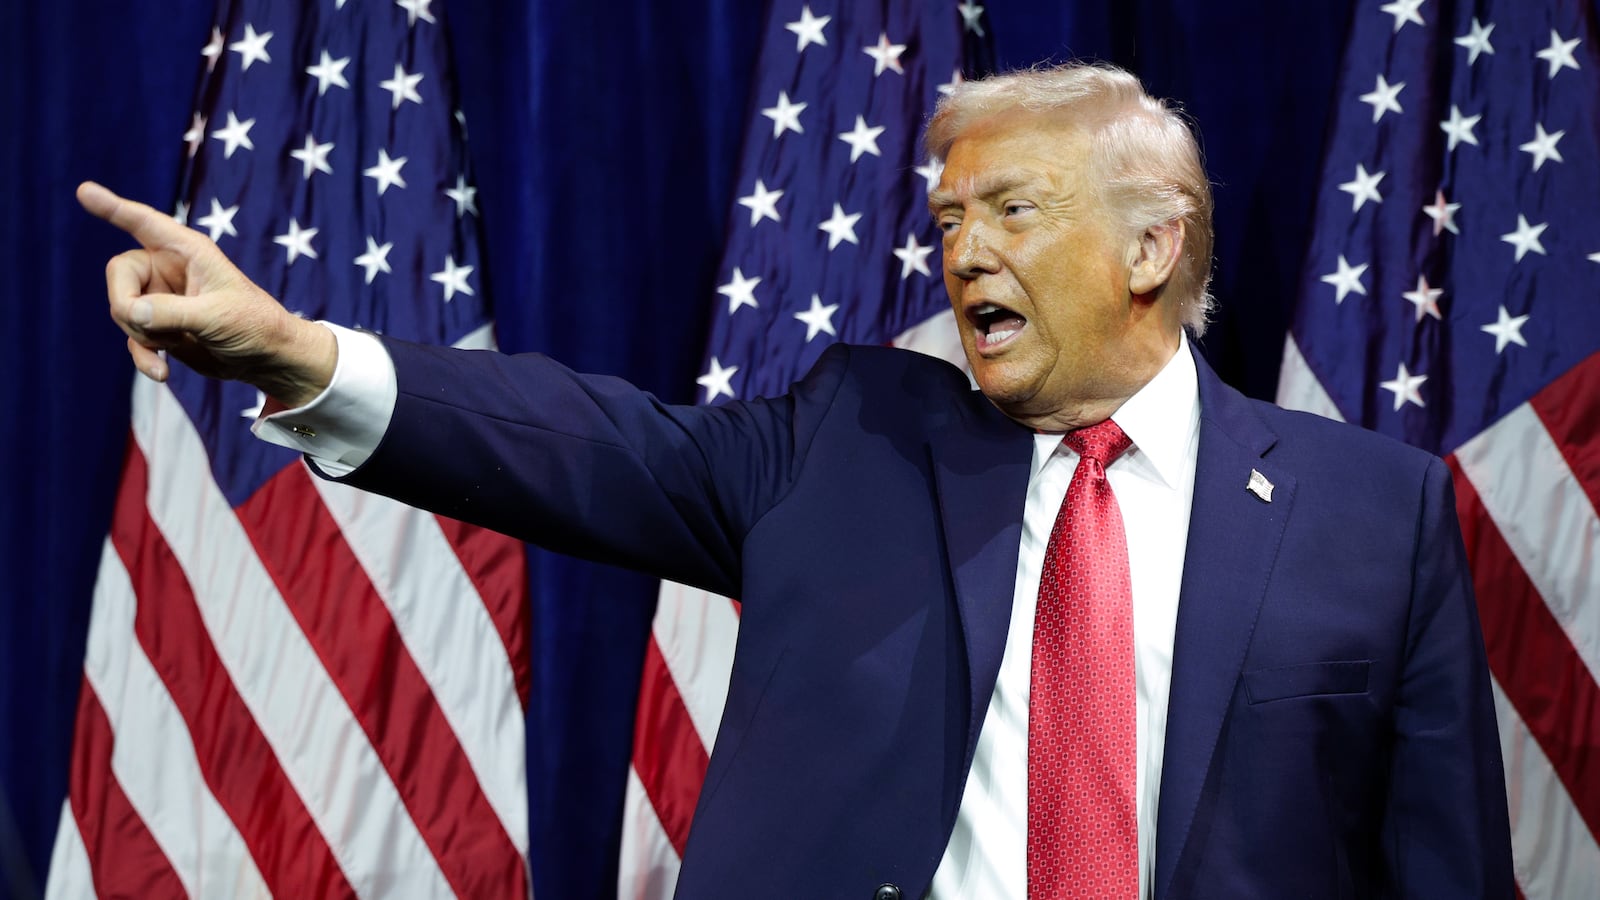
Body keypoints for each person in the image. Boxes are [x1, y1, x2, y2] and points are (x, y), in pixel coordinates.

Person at [81, 63, 1512, 899]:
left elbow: (1443, 868)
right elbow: (584, 443)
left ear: (1152, 247)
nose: (965, 252)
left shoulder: (1375, 515)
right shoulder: (853, 439)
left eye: (1014, 210)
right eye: (949, 219)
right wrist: (294, 350)